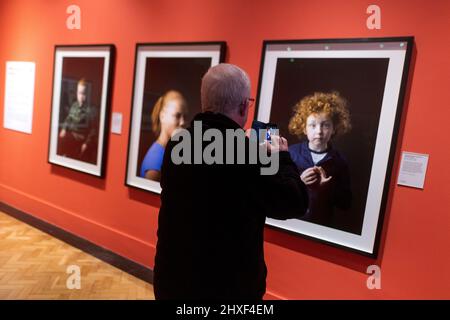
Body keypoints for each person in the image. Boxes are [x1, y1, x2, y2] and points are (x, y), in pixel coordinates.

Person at [153, 63, 309, 300]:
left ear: (205, 99)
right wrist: (281, 157)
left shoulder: (178, 143)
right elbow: (294, 202)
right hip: (226, 290)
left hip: (172, 280)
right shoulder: (247, 154)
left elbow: (216, 169)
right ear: (244, 105)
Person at [288, 91, 352, 226]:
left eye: (326, 125)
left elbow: (346, 203)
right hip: (292, 222)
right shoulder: (291, 154)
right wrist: (299, 182)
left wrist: (327, 188)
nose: (319, 131)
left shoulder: (340, 162)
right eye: (313, 125)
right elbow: (277, 193)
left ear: (334, 128)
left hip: (321, 227)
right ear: (304, 128)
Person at [140, 90, 187, 181]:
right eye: (177, 116)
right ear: (162, 116)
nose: (182, 122)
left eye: (185, 116)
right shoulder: (155, 161)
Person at [58, 78, 98, 164]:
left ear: (88, 94)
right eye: (79, 93)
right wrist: (64, 128)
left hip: (81, 136)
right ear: (77, 93)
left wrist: (86, 143)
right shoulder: (74, 105)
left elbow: (93, 130)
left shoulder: (91, 109)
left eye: (84, 94)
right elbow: (68, 118)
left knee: (65, 140)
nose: (81, 96)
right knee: (60, 136)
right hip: (71, 133)